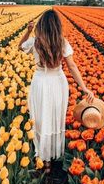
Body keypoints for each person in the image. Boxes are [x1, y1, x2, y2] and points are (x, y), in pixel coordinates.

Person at [18, 9, 94, 174]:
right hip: (58, 83)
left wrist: (28, 31)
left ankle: (44, 160)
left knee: (41, 119)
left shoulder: (34, 42)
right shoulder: (63, 42)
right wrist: (84, 88)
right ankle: (53, 155)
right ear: (57, 26)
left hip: (40, 83)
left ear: (42, 26)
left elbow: (20, 47)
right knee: (54, 117)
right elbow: (72, 66)